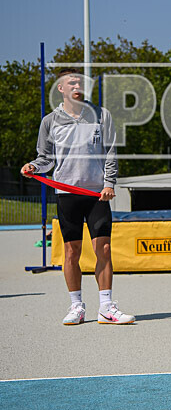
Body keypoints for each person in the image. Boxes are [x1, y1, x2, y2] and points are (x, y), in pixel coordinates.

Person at [21, 68, 134, 326]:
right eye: (71, 82)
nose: (77, 85)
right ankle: (76, 306)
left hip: (97, 194)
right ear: (60, 88)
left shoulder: (101, 115)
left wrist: (109, 183)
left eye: (80, 82)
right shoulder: (50, 121)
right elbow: (45, 158)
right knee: (71, 252)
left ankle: (106, 307)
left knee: (103, 248)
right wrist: (33, 167)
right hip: (66, 193)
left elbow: (110, 153)